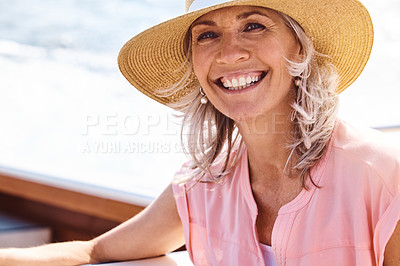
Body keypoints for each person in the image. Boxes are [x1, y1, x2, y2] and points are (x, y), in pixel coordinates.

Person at [1, 0, 400, 265]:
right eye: (207, 35)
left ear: (300, 49)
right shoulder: (207, 181)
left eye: (254, 26)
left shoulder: (384, 178)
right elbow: (94, 250)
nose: (229, 53)